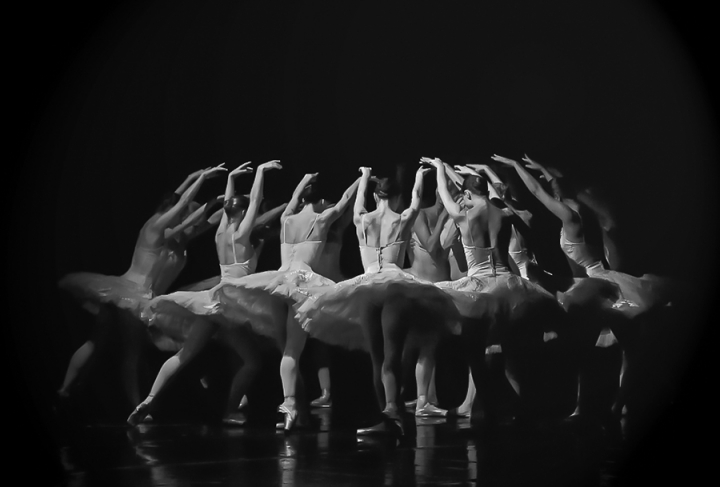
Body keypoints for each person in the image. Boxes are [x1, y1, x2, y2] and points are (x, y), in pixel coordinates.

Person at [296, 167, 462, 437]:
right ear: (397, 198)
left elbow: (357, 204)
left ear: (376, 196)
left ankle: (383, 413)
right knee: (392, 355)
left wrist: (363, 176)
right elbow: (417, 197)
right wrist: (419, 176)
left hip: (368, 289)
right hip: (396, 288)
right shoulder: (404, 217)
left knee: (376, 357)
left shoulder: (362, 219)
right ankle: (393, 408)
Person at [127, 161, 283, 426]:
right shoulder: (243, 233)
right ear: (244, 213)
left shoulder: (221, 231)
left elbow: (238, 206)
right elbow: (256, 200)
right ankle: (230, 410)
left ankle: (150, 398)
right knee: (254, 361)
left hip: (212, 301)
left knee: (185, 354)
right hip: (234, 304)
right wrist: (260, 173)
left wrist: (232, 177)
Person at [57, 164, 227, 406]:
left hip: (148, 298)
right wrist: (199, 178)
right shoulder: (155, 226)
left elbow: (209, 220)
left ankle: (67, 389)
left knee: (102, 341)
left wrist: (229, 201)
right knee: (128, 350)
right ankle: (134, 404)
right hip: (128, 295)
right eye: (186, 215)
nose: (190, 220)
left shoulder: (179, 238)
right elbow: (180, 204)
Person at [213, 171, 361, 431]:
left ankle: (296, 409)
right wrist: (362, 178)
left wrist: (302, 179)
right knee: (293, 349)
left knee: (288, 352)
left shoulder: (286, 219)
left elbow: (293, 200)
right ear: (319, 201)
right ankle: (291, 406)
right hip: (301, 285)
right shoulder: (322, 219)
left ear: (302, 200)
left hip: (277, 284)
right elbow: (345, 202)